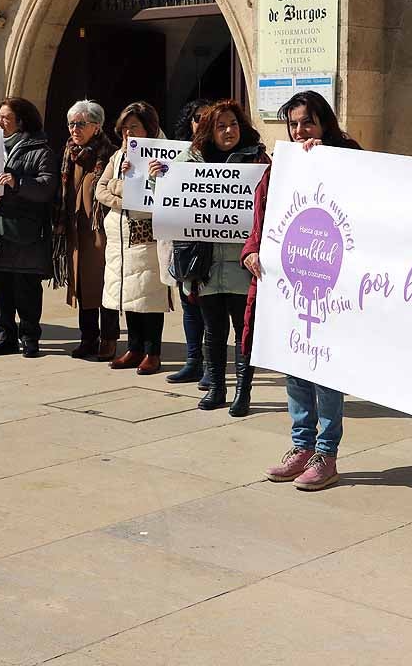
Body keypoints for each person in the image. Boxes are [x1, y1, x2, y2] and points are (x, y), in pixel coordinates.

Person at [244, 92, 362, 490]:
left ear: (324, 123)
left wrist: (324, 160)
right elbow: (263, 217)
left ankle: (325, 454)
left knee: (325, 369)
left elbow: (361, 211)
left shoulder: (348, 159)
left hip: (330, 284)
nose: (299, 132)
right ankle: (301, 446)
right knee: (294, 364)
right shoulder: (280, 168)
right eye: (293, 124)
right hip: (291, 285)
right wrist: (252, 252)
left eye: (307, 123)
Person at [152, 100, 268, 414]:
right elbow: (172, 205)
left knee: (244, 334)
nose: (228, 131)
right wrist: (157, 179)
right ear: (208, 131)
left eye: (233, 124)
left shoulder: (259, 161)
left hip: (243, 264)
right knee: (213, 332)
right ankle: (217, 388)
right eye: (220, 126)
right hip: (203, 264)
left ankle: (242, 393)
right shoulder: (188, 163)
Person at [0, 97, 58, 358]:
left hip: (25, 232)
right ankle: (6, 336)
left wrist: (18, 182)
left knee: (27, 289)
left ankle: (30, 338)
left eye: (5, 118)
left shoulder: (40, 150)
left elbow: (47, 186)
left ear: (21, 121)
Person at [95, 102, 173, 375]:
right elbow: (100, 190)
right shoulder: (118, 156)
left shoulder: (162, 157)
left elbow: (151, 199)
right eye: (125, 128)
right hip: (119, 237)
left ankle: (153, 351)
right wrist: (124, 190)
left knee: (149, 297)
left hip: (145, 236)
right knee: (128, 296)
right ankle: (134, 347)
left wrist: (123, 189)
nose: (128, 133)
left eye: (134, 127)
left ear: (148, 128)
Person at [52, 100, 120, 359]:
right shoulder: (69, 154)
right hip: (76, 233)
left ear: (97, 126)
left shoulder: (110, 155)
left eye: (80, 124)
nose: (74, 129)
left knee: (105, 286)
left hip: (102, 234)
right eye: (71, 124)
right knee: (82, 287)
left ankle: (109, 339)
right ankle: (88, 338)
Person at [165, 98, 213, 386]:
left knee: (212, 311)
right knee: (189, 307)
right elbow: (165, 201)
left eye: (207, 117)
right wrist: (158, 178)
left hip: (217, 246)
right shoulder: (179, 158)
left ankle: (212, 366)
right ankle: (193, 361)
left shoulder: (224, 155)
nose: (201, 122)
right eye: (196, 117)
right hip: (187, 245)